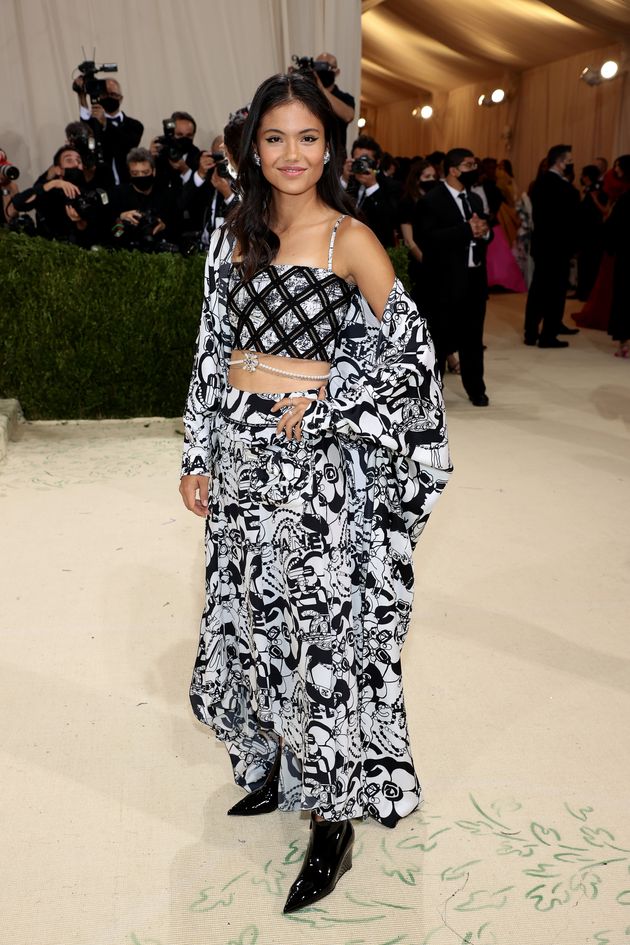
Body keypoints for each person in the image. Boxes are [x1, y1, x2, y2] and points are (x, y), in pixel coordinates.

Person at [179, 72, 451, 915]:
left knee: (318, 637)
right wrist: (198, 449)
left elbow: (414, 359)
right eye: (274, 139)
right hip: (241, 456)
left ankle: (333, 817)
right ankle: (272, 766)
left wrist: (336, 401)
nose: (291, 155)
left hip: (313, 467)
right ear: (251, 148)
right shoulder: (233, 234)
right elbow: (208, 345)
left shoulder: (350, 239)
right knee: (252, 617)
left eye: (306, 138)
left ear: (327, 147)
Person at [419, 148, 492, 406]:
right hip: (444, 282)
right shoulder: (432, 200)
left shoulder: (475, 199)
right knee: (439, 339)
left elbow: (485, 230)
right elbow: (428, 240)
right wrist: (465, 230)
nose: (474, 169)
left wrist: (484, 232)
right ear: (453, 169)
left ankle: (476, 389)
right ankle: (432, 395)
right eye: (469, 165)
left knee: (473, 338)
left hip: (474, 279)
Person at [523, 143, 580, 347]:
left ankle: (532, 332)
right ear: (560, 161)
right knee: (554, 291)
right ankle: (548, 335)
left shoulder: (540, 183)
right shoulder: (561, 187)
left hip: (544, 244)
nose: (572, 164)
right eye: (570, 160)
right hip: (557, 246)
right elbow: (569, 219)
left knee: (539, 288)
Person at [11, 146, 110, 247]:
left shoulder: (89, 194)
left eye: (78, 161)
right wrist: (54, 184)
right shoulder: (48, 189)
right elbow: (19, 203)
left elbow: (92, 236)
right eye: (69, 160)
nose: (75, 164)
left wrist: (80, 222)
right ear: (58, 169)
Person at [76, 76, 144, 185]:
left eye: (113, 94)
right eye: (105, 94)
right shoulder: (94, 124)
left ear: (120, 98)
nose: (109, 97)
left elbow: (128, 145)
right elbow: (85, 125)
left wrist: (106, 123)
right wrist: (81, 96)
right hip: (102, 184)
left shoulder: (135, 125)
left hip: (127, 185)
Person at [110, 148, 178, 251]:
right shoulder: (118, 194)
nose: (141, 177)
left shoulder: (167, 195)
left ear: (153, 171)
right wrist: (120, 218)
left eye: (145, 172)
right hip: (126, 251)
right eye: (135, 174)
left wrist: (163, 226)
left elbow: (178, 226)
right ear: (129, 173)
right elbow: (109, 229)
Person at [342, 135, 398, 247]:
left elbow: (388, 221)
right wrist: (343, 179)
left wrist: (372, 187)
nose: (361, 164)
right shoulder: (350, 180)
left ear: (377, 163)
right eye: (357, 160)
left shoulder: (391, 186)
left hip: (374, 246)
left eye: (366, 160)